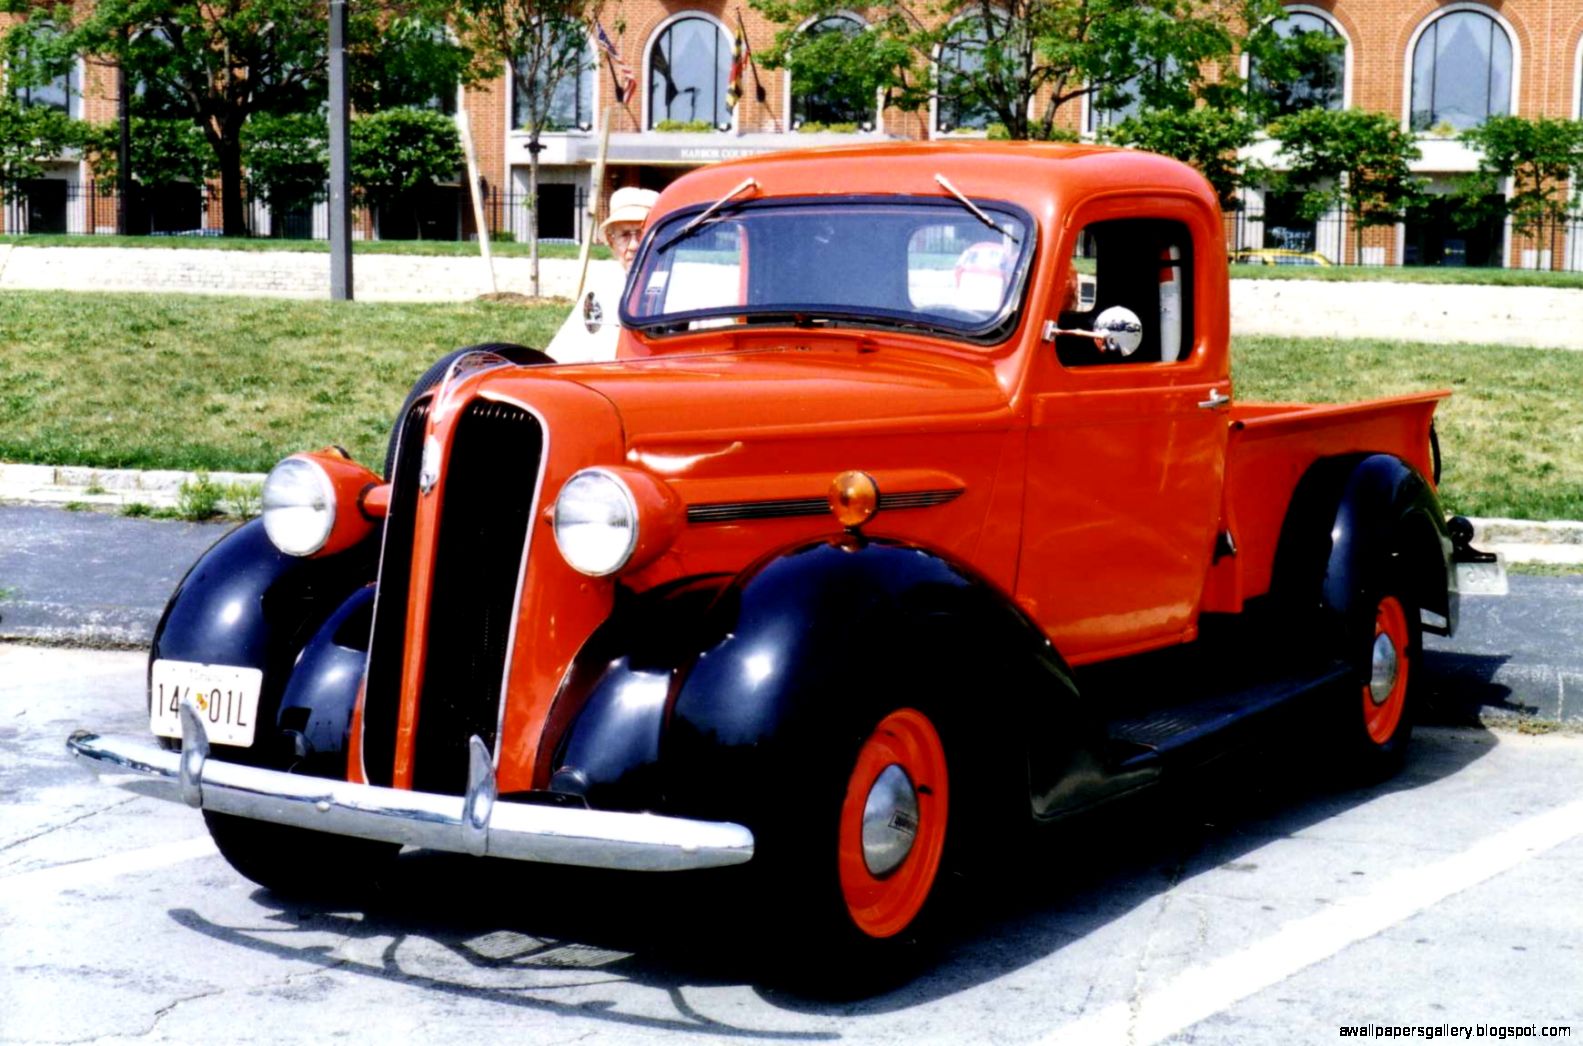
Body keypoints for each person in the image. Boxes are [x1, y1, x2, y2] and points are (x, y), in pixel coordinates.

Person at [545, 187, 659, 364]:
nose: (634, 245)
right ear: (611, 241)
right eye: (625, 235)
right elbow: (564, 357)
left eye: (642, 233)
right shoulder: (602, 290)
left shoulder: (681, 288)